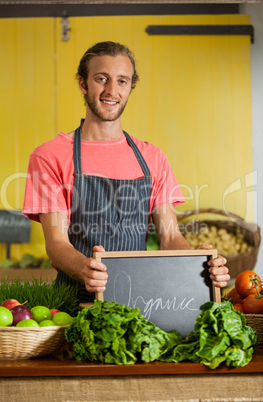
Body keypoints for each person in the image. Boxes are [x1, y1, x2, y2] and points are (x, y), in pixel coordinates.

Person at [23, 41, 230, 303]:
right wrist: (84, 268)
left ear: (130, 87)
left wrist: (197, 263)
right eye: (101, 79)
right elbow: (56, 243)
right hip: (73, 304)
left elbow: (169, 237)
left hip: (140, 304)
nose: (112, 90)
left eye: (122, 81)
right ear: (83, 84)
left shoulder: (153, 158)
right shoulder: (50, 156)